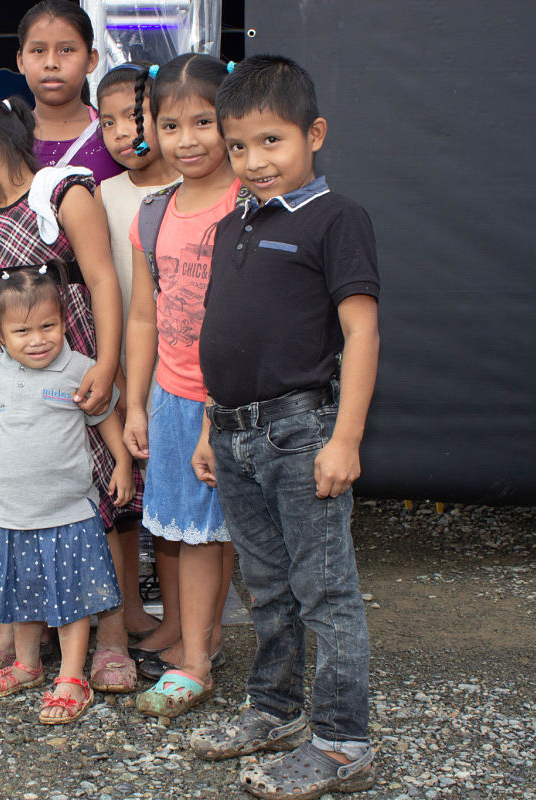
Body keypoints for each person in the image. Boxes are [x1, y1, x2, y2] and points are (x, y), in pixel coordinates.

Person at [189, 55, 380, 799]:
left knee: (323, 590)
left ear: (314, 134)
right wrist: (209, 428)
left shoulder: (337, 219)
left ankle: (341, 743)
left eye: (272, 141)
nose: (254, 160)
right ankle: (275, 710)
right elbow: (222, 333)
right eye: (239, 146)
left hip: (302, 433)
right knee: (266, 586)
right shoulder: (231, 226)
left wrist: (346, 439)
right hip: (231, 433)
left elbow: (361, 333)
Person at [0, 94, 141, 696]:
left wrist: (108, 367)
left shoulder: (66, 194)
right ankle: (12, 636)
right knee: (5, 501)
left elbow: (103, 280)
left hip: (72, 369)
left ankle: (112, 635)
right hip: (3, 383)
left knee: (96, 501)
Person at [0, 266, 133, 724]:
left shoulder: (80, 369)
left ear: (64, 321)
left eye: (48, 326)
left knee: (72, 601)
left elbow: (105, 418)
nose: (37, 340)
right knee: (22, 595)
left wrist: (123, 462)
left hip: (68, 513)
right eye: (22, 331)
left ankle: (72, 676)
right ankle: (27, 664)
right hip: (11, 515)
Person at [115, 55, 242, 718]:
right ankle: (197, 653)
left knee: (220, 530)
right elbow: (144, 315)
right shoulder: (153, 214)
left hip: (237, 401)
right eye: (170, 125)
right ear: (152, 129)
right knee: (191, 532)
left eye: (203, 122)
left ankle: (203, 649)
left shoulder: (248, 203)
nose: (187, 140)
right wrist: (137, 403)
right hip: (172, 396)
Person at [93, 61, 182, 653]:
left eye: (135, 115)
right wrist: (117, 372)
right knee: (122, 497)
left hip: (185, 374)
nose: (124, 132)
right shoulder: (103, 196)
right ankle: (127, 610)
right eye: (108, 122)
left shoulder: (195, 187)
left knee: (181, 500)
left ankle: (184, 621)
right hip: (125, 369)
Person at [17, 0, 123, 185]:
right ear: (21, 62)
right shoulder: (4, 140)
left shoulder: (119, 136)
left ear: (91, 60)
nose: (51, 63)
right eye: (38, 50)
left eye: (66, 50)